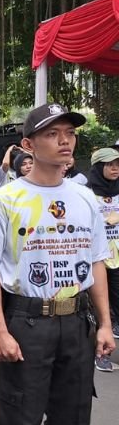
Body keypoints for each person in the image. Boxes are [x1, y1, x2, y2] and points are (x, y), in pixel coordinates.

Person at [0, 103, 116, 425]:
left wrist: (104, 323)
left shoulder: (85, 197)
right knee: (20, 413)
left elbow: (98, 261)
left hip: (76, 320)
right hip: (27, 321)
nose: (64, 140)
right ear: (28, 144)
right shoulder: (5, 200)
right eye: (52, 134)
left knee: (73, 413)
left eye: (69, 133)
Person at [87, 147, 119, 372]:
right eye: (110, 165)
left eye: (117, 164)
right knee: (101, 306)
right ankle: (101, 354)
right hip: (97, 259)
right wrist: (104, 220)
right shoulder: (86, 195)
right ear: (99, 168)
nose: (115, 168)